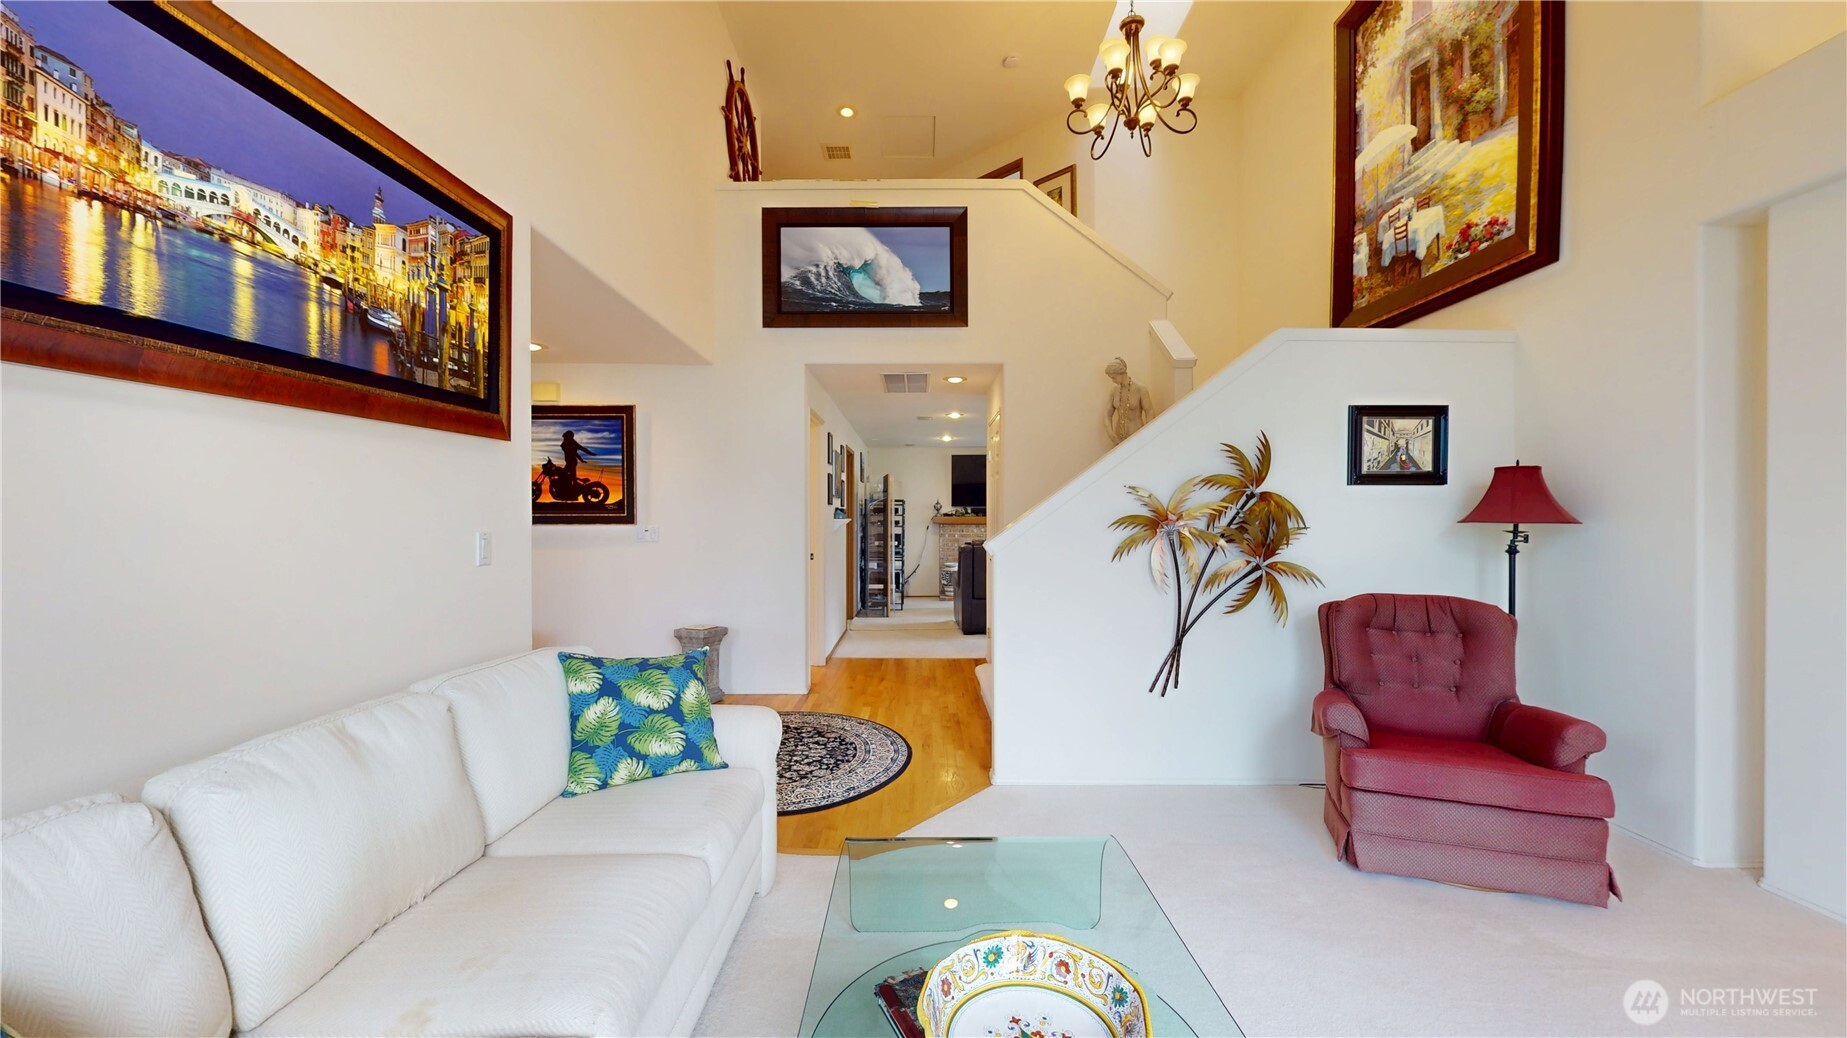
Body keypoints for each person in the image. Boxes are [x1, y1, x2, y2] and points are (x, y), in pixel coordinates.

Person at [1104, 357, 1154, 445]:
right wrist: (1111, 435)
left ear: (1121, 373)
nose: (1113, 381)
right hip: (1119, 437)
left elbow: (1149, 412)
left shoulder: (1140, 389)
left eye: (1114, 378)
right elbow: (1107, 414)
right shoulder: (1114, 391)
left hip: (1137, 435)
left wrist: (1148, 434)